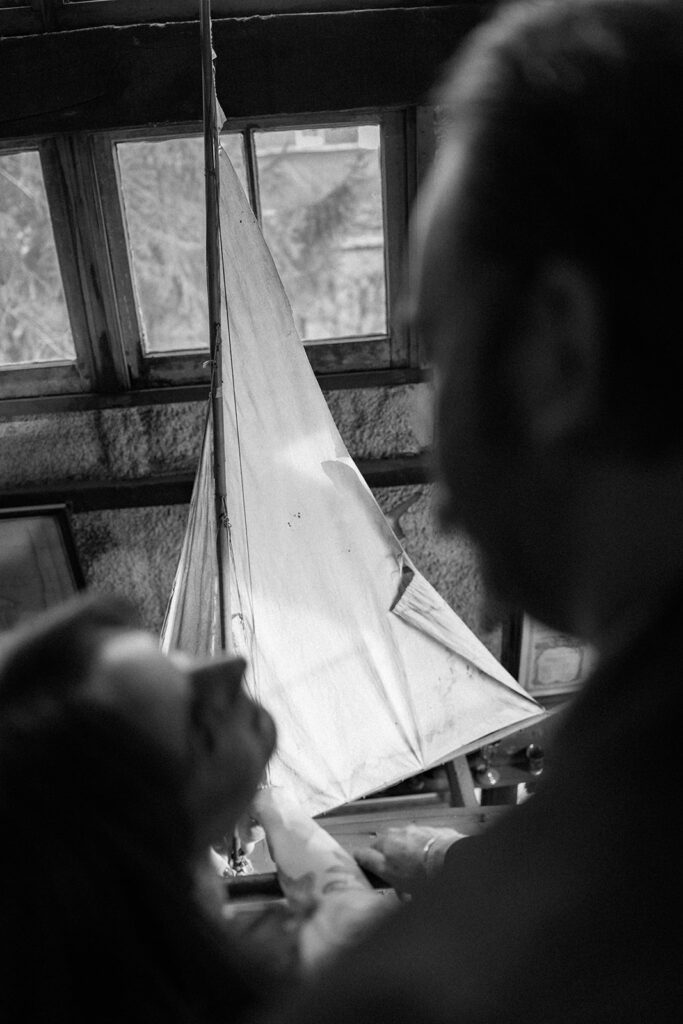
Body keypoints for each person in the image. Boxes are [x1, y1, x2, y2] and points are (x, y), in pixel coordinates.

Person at [255, 1, 683, 1021]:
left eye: (440, 359)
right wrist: (447, 861)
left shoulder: (436, 989)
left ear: (557, 352)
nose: (439, 496)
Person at [0, 593, 381, 1023]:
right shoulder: (279, 989)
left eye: (173, 658)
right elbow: (356, 931)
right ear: (150, 840)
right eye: (199, 722)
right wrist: (280, 810)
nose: (234, 663)